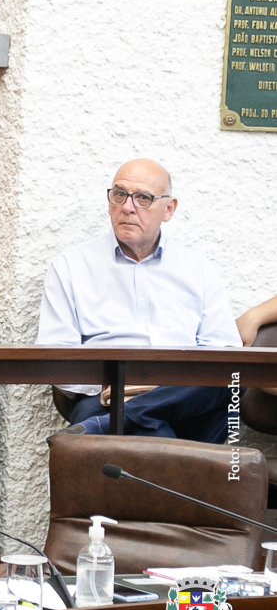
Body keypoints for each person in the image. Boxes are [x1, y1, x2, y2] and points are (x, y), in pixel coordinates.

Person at [36, 158, 241, 442]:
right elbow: (54, 354)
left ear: (169, 209)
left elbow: (224, 350)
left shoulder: (197, 269)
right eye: (120, 194)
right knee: (155, 432)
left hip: (184, 395)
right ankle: (138, 421)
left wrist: (166, 390)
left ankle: (117, 420)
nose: (127, 207)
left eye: (143, 198)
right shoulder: (70, 265)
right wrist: (115, 384)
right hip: (107, 397)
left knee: (234, 377)